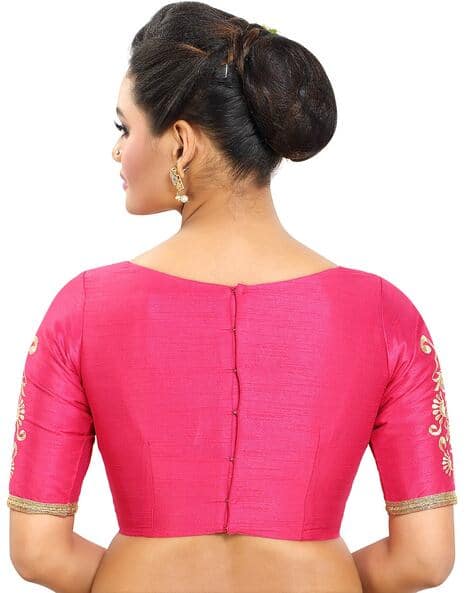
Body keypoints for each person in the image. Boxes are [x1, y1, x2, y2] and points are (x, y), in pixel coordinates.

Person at [7, 2, 457, 593]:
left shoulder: (82, 310)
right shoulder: (385, 315)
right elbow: (424, 559)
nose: (118, 152)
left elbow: (39, 551)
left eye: (125, 128)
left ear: (181, 144)